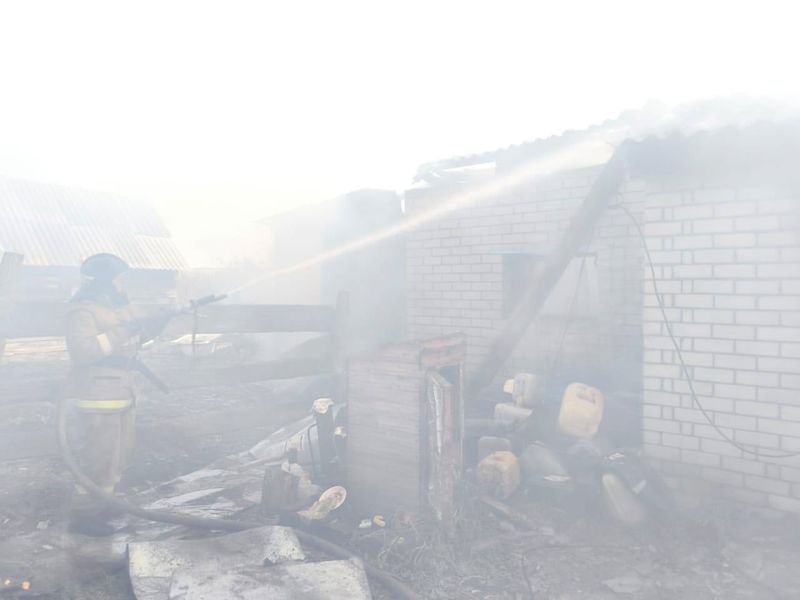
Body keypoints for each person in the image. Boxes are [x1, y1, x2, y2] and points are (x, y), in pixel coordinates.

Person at [64, 253, 169, 536]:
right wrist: (126, 329)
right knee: (99, 459)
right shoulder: (83, 311)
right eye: (120, 279)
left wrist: (156, 324)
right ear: (104, 280)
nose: (123, 285)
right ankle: (84, 517)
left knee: (118, 457)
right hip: (97, 396)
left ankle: (104, 504)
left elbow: (133, 338)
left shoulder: (118, 308)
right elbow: (83, 351)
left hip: (123, 391)